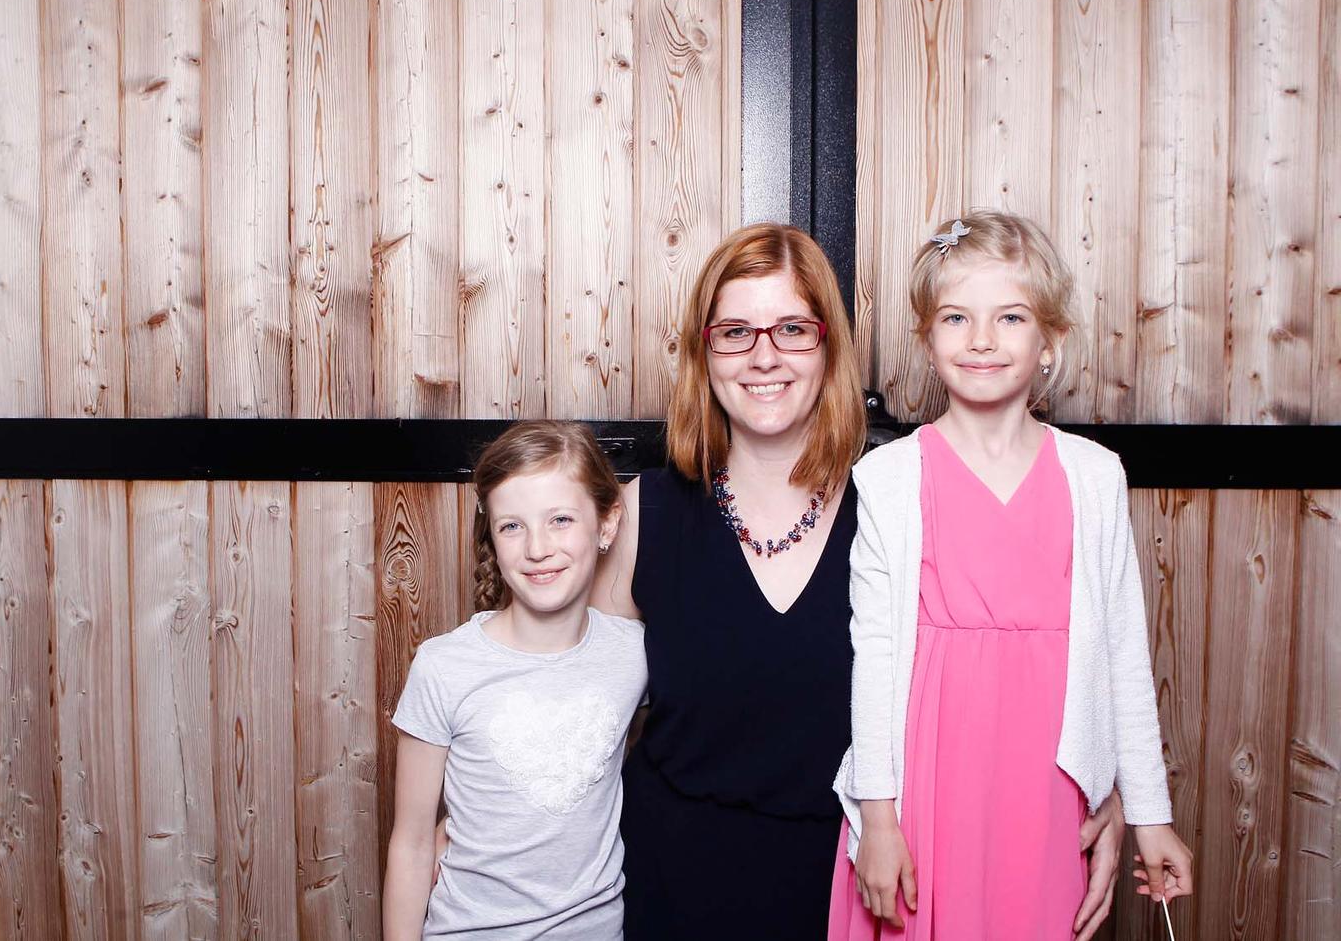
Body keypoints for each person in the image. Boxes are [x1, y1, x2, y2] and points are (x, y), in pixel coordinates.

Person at [592, 222, 1128, 940]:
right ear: (702, 352)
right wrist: (476, 822)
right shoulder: (643, 513)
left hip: (859, 887)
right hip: (669, 887)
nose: (764, 356)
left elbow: (1014, 673)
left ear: (829, 347)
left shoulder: (897, 504)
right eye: (735, 332)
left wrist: (1099, 791)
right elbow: (581, 719)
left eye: (792, 329)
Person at [827, 210, 1194, 940]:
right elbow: (875, 654)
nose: (982, 339)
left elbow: (1123, 653)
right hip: (924, 784)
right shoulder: (891, 478)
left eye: (1011, 317)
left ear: (1049, 340)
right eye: (956, 317)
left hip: (1046, 787)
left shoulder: (1093, 477)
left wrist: (1151, 814)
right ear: (928, 339)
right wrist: (878, 813)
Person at [382, 421, 647, 940]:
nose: (537, 548)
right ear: (493, 538)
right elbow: (411, 843)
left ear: (607, 524)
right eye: (512, 527)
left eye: (561, 520)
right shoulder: (445, 666)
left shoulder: (633, 654)